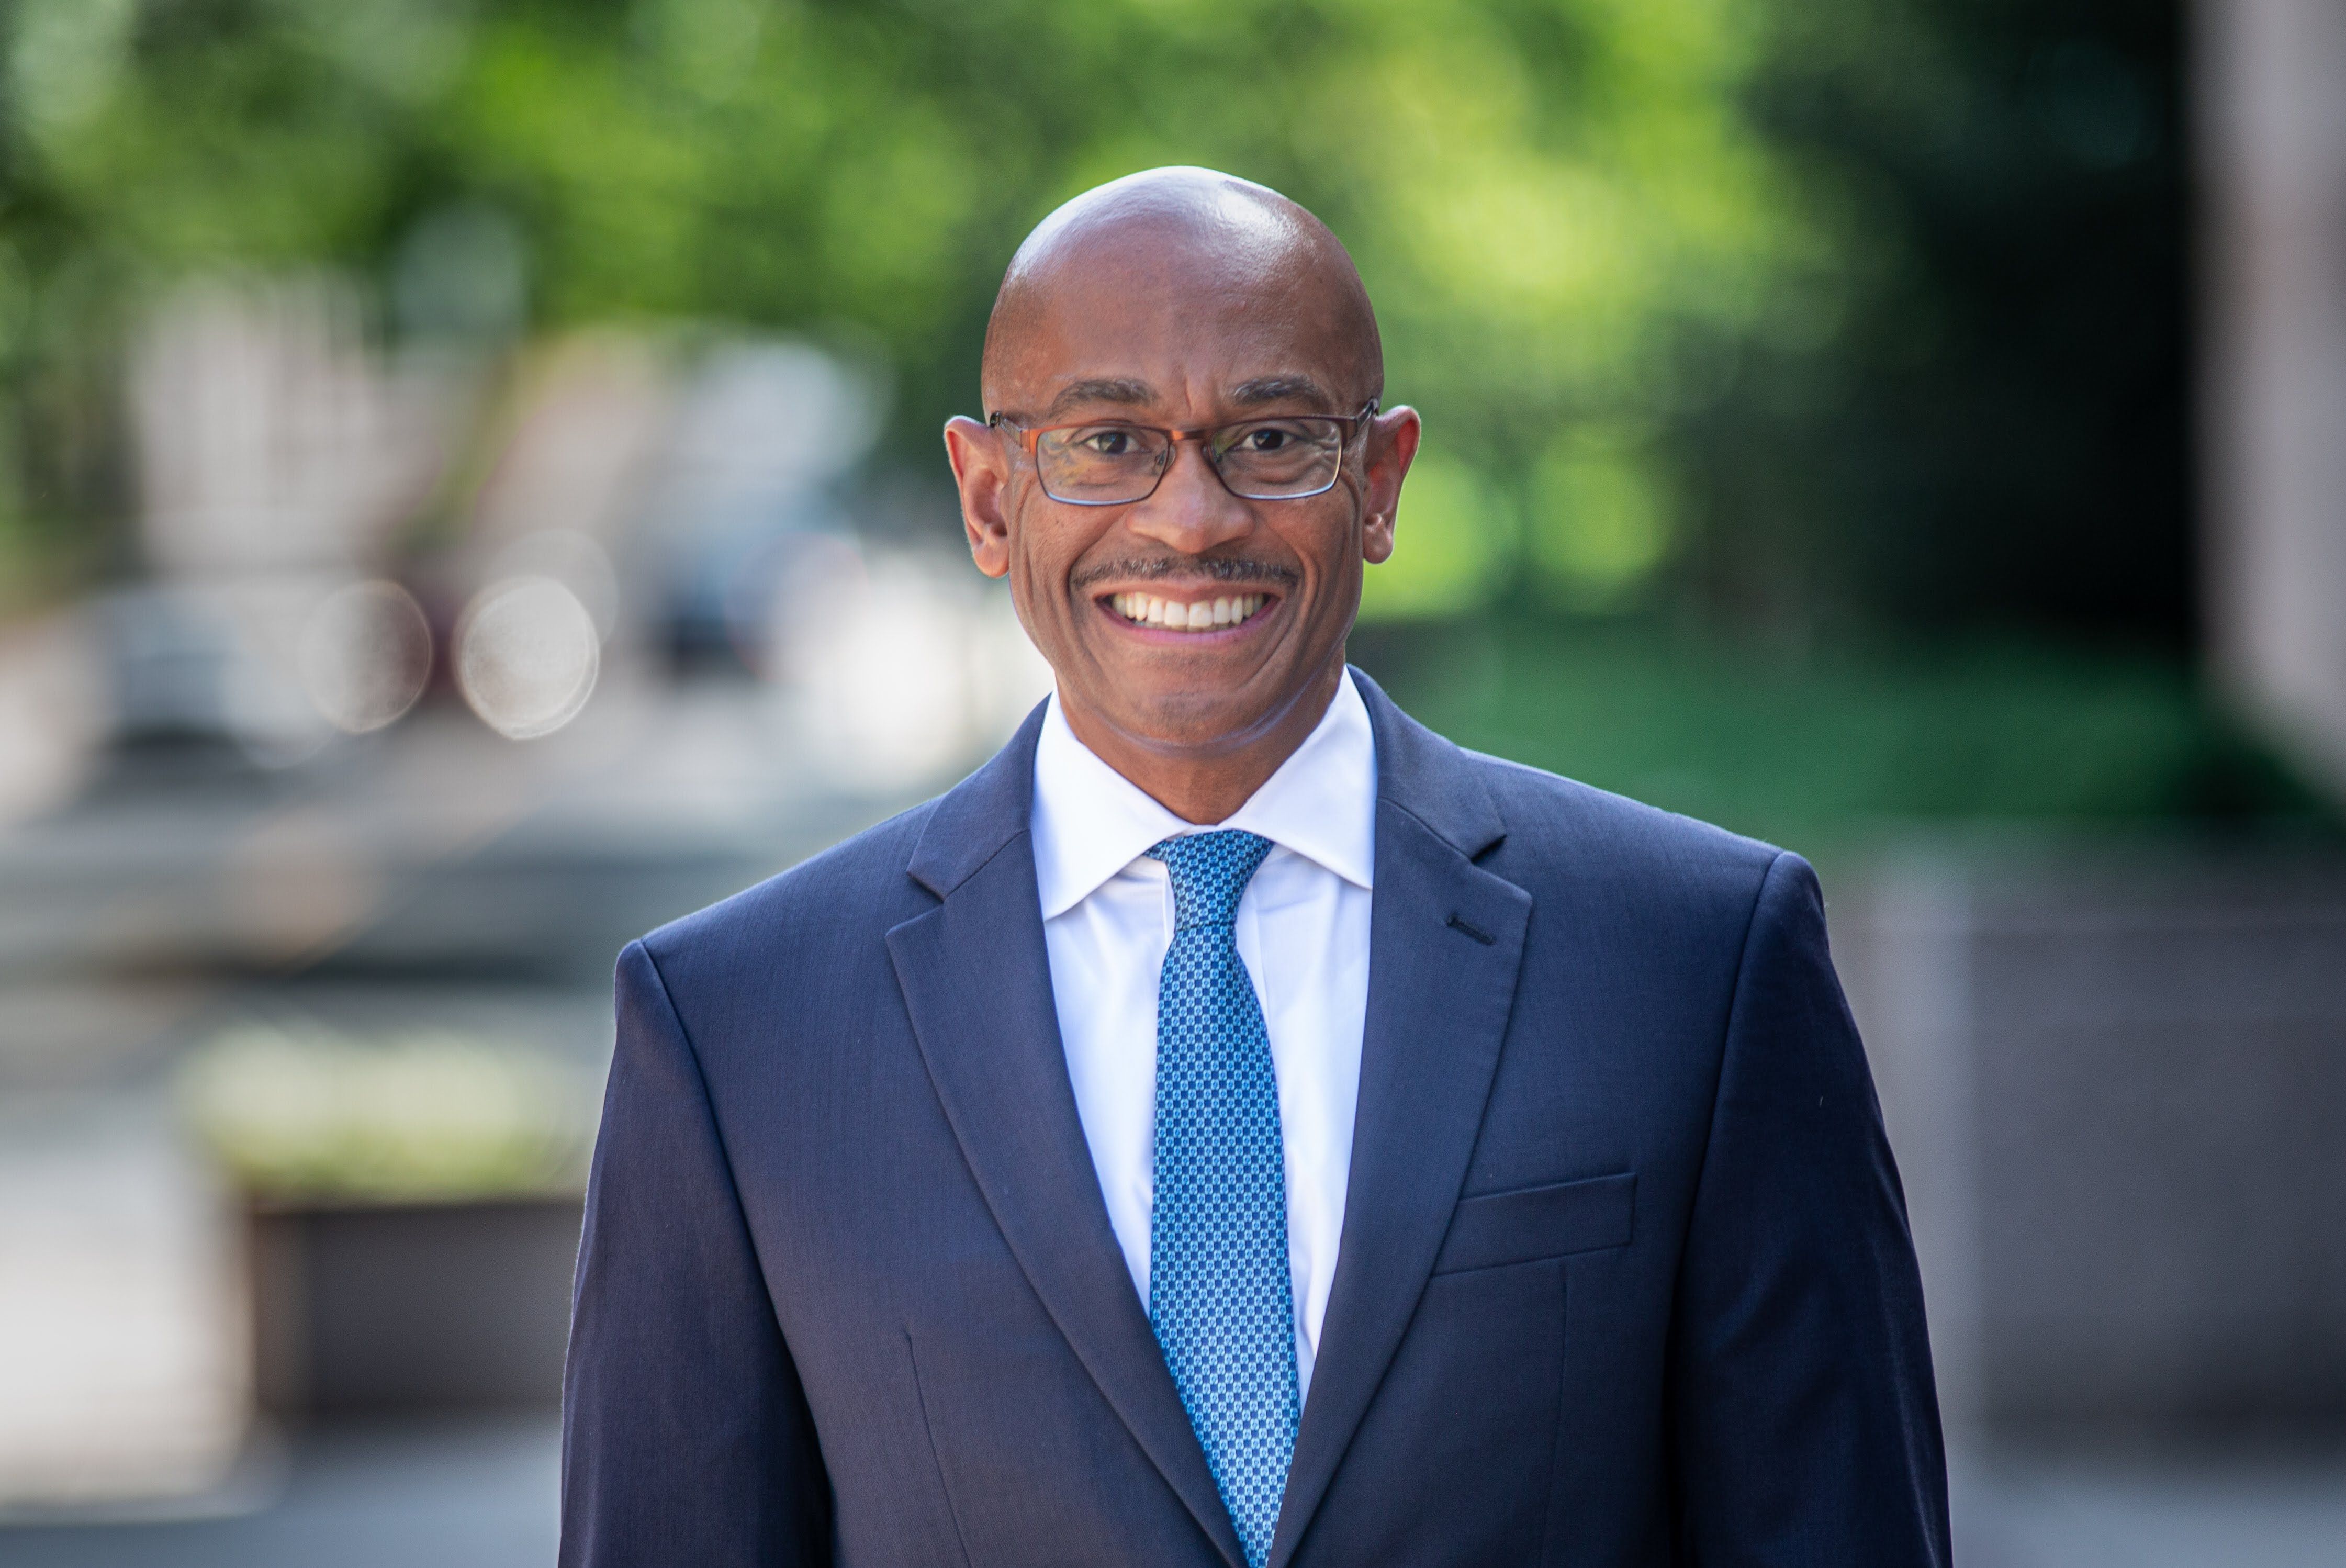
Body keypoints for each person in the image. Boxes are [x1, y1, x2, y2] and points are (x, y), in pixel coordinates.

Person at [559, 167, 1950, 1567]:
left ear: (1382, 480)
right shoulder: (737, 1030)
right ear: (989, 497)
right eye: (1107, 441)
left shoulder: (1695, 961)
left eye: (1274, 436)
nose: (1191, 516)